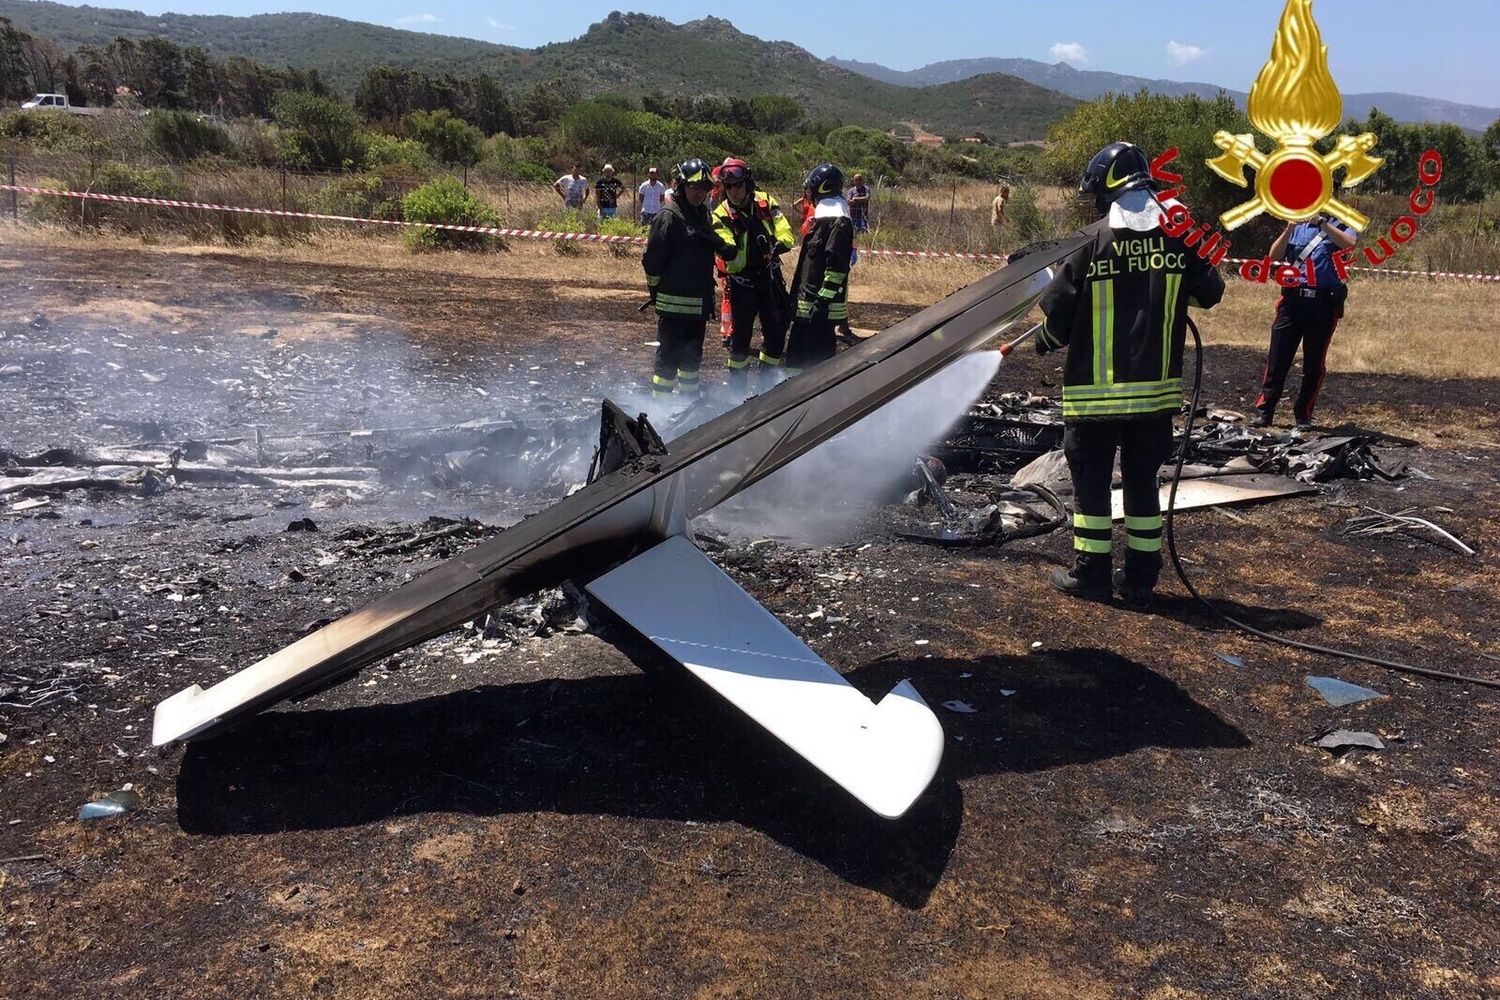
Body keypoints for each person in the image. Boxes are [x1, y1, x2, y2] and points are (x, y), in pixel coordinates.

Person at [1035, 141, 1225, 606]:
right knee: (1143, 486)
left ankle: (1091, 573)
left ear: (1108, 190)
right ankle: (1141, 580)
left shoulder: (1091, 243)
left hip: (1093, 398)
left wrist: (1044, 340)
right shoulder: (1179, 239)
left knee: (1092, 488)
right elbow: (1210, 293)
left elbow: (1057, 317)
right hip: (1154, 400)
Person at [1252, 212, 1358, 428]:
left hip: (1323, 304)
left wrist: (1322, 224)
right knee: (1277, 359)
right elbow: (1274, 256)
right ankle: (1265, 410)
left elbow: (1349, 245)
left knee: (1314, 363)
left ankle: (1303, 413)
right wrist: (1289, 228)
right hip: (1292, 301)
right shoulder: (1297, 225)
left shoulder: (1343, 224)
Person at [709, 158, 796, 395]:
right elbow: (725, 241)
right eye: (729, 187)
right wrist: (727, 248)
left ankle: (767, 386)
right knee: (740, 340)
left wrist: (780, 244)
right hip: (742, 284)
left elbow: (784, 227)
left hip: (769, 279)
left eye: (738, 185)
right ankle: (737, 391)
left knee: (776, 332)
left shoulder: (765, 201)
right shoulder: (721, 213)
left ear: (748, 183)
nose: (734, 192)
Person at [641, 158, 717, 400]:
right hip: (673, 307)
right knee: (668, 362)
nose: (700, 193)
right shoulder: (668, 216)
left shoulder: (703, 214)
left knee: (692, 361)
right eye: (695, 187)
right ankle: (659, 408)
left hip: (698, 307)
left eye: (705, 188)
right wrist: (655, 290)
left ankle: (689, 406)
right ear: (682, 186)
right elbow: (652, 260)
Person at [785, 163, 854, 376]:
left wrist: (822, 302)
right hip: (806, 311)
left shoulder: (838, 222)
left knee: (816, 372)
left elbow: (836, 267)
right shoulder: (822, 219)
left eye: (810, 188)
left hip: (819, 314)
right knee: (795, 363)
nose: (807, 193)